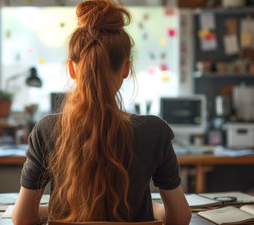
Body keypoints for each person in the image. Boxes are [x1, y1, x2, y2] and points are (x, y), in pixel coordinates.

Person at [12, 0, 191, 224]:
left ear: (71, 69)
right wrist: (153, 209)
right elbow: (180, 219)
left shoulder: (46, 130)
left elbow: (22, 220)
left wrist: (50, 211)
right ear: (126, 68)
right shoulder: (155, 132)